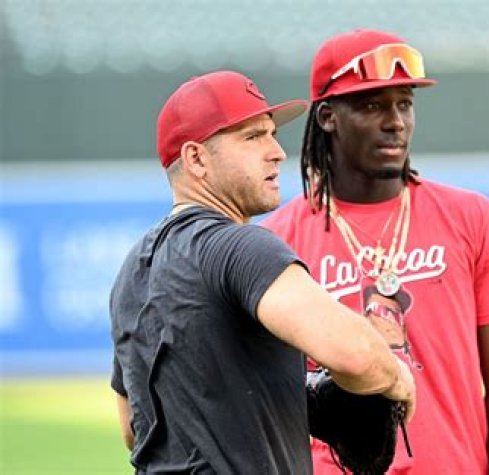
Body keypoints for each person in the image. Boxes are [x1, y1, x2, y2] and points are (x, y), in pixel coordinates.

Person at [109, 70, 416, 474]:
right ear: (196, 159)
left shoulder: (132, 270)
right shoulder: (241, 247)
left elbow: (134, 427)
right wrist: (396, 376)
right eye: (252, 137)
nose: (277, 152)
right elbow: (354, 354)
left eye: (272, 134)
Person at [261, 29, 489, 474]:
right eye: (373, 106)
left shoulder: (476, 219)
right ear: (328, 117)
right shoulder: (275, 243)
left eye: (404, 103)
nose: (396, 122)